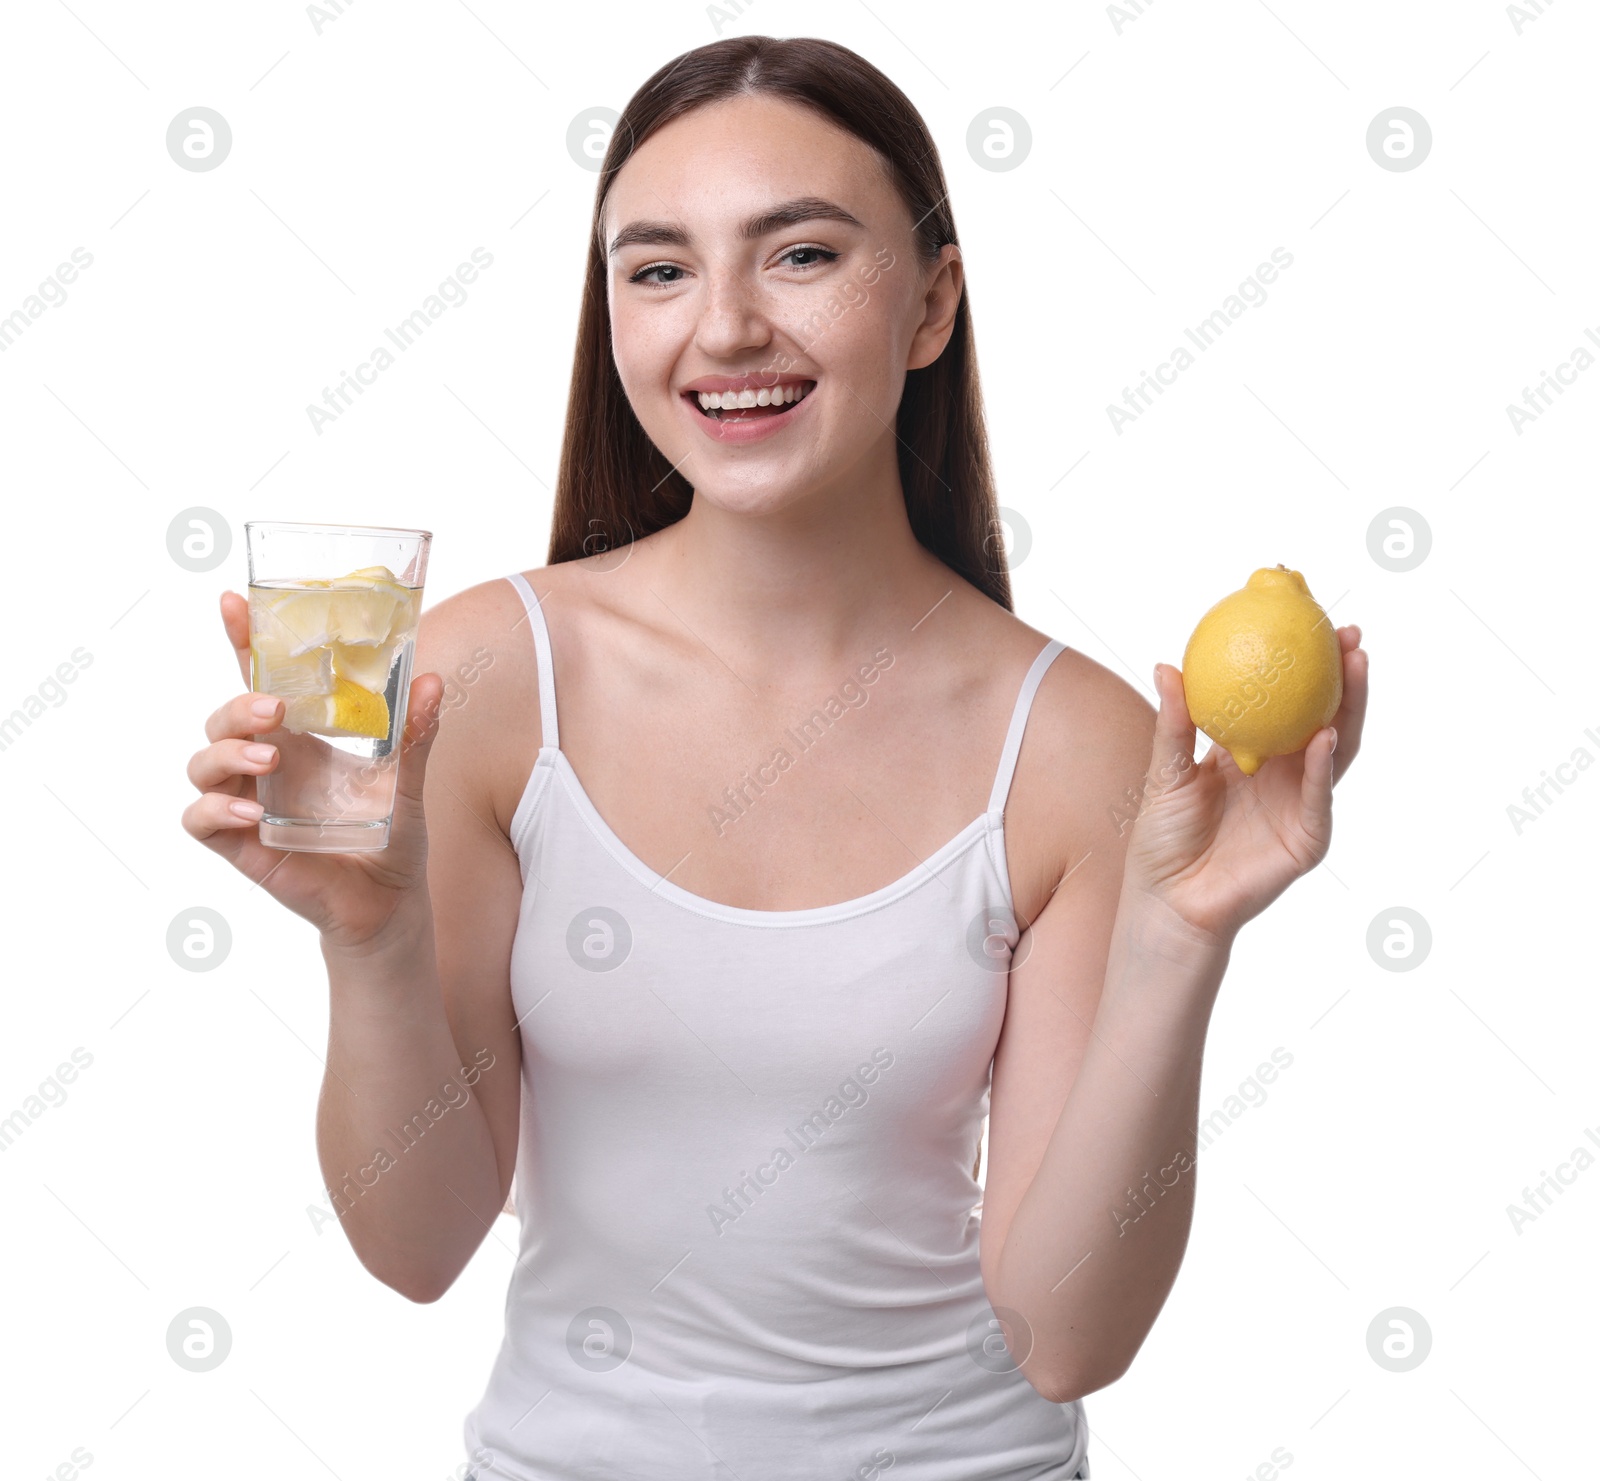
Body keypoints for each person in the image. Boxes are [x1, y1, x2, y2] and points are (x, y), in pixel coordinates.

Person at [183, 34, 1367, 1481]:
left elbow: (1067, 1337)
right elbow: (416, 1246)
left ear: (932, 304)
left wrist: (1179, 937)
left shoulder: (1072, 738)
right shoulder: (486, 682)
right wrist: (372, 938)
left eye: (800, 255)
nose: (725, 327)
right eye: (660, 269)